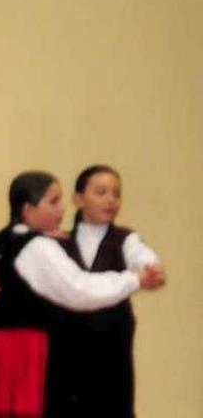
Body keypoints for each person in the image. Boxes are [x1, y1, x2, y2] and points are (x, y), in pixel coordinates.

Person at [0, 171, 164, 418]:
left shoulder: (4, 239)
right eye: (53, 202)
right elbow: (78, 289)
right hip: (22, 349)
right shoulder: (37, 246)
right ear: (29, 210)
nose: (61, 210)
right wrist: (134, 279)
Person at [46, 165, 166, 418]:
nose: (111, 200)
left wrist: (150, 269)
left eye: (116, 193)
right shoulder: (57, 242)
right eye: (101, 192)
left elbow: (142, 258)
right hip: (65, 346)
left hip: (111, 345)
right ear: (78, 199)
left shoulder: (125, 239)